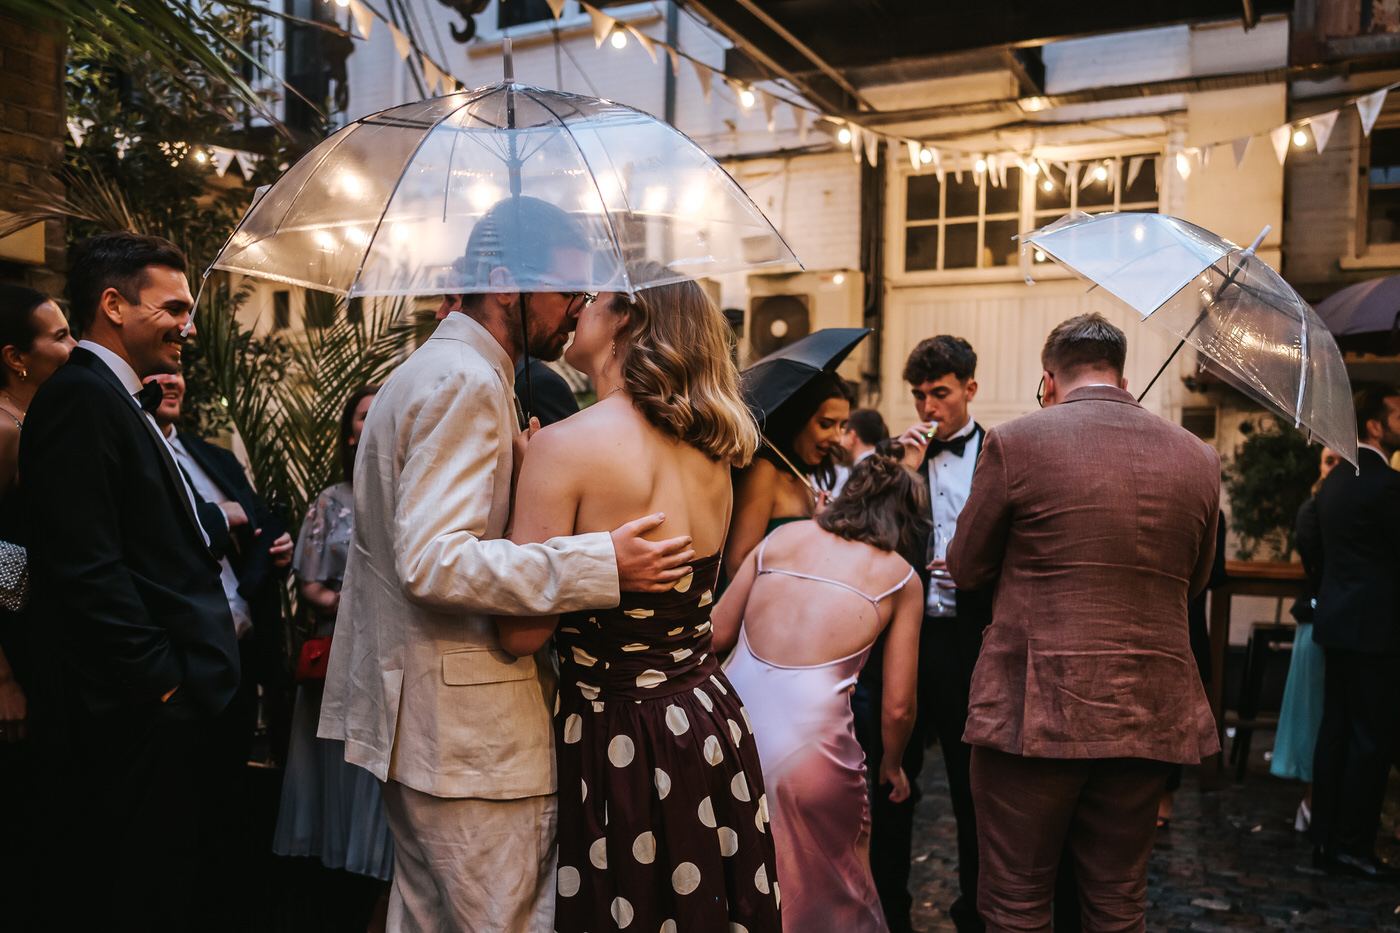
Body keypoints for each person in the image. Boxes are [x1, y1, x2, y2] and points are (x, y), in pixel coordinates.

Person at [317, 197, 696, 933]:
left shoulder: (446, 369)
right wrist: (601, 560)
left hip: (436, 724)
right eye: (566, 292)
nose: (574, 311)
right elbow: (431, 560)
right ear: (504, 280)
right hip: (469, 736)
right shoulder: (462, 378)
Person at [499, 264, 780, 933]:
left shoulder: (564, 448)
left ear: (627, 317)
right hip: (707, 717)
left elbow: (519, 634)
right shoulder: (713, 450)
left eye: (590, 299)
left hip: (616, 729)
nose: (576, 310)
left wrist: (527, 475)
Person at [948, 312, 1220, 933]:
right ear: (1120, 374)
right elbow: (1195, 580)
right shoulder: (1199, 458)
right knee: (1118, 900)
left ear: (1049, 379)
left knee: (1016, 900)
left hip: (1034, 708)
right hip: (1148, 708)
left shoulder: (1017, 442)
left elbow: (966, 566)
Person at [21, 232, 242, 930]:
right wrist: (158, 681)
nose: (189, 324)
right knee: (128, 893)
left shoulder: (115, 398)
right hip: (132, 714)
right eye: (174, 306)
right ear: (114, 305)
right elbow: (80, 564)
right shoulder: (81, 399)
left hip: (155, 709)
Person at [715, 453, 926, 933]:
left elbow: (716, 634)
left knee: (739, 880)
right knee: (834, 891)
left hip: (732, 732)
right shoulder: (899, 576)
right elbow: (897, 705)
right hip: (813, 755)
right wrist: (892, 764)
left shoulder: (780, 538)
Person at [865, 334, 990, 933]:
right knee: (891, 781)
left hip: (970, 644)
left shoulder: (998, 454)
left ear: (969, 387)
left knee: (974, 789)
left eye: (940, 394)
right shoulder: (890, 460)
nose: (928, 409)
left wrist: (973, 571)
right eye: (919, 396)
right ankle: (892, 912)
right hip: (902, 644)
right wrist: (901, 478)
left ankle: (975, 911)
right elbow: (864, 541)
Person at [274, 385, 394, 927]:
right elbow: (309, 584)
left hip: (392, 655)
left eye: (383, 414)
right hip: (339, 654)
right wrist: (351, 600)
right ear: (350, 433)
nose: (374, 423)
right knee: (339, 775)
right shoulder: (331, 500)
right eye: (365, 416)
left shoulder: (410, 494)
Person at [0, 283, 74, 929]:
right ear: (15, 356)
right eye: (57, 335)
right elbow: (0, 553)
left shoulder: (40, 423)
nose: (72, 346)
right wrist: (5, 674)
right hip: (17, 646)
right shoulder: (2, 430)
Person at [1309, 388, 1400, 879]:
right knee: (1371, 739)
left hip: (1338, 624)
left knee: (1335, 733)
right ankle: (1353, 845)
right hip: (1375, 631)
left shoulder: (1336, 482)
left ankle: (1324, 838)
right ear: (1374, 426)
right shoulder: (1385, 484)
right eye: (1399, 415)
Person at [1270, 447, 1340, 833]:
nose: (1332, 467)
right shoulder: (1312, 511)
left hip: (1343, 622)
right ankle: (1312, 801)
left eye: (1339, 462)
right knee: (1314, 715)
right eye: (1327, 460)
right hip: (1318, 619)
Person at [724, 370, 850, 579]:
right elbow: (738, 563)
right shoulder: (765, 472)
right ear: (798, 418)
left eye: (842, 426)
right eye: (826, 424)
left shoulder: (803, 476)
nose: (837, 437)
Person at [831, 407, 889, 496]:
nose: (837, 440)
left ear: (852, 436)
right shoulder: (888, 467)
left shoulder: (857, 474)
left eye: (842, 433)